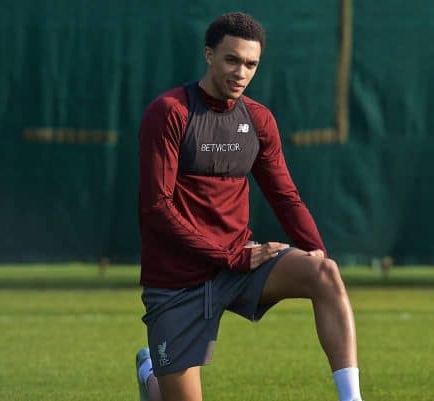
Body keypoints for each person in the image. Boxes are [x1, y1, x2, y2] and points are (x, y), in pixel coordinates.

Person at [135, 12, 363, 401]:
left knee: (325, 274)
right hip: (177, 282)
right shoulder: (171, 112)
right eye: (232, 60)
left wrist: (315, 248)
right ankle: (150, 374)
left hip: (239, 267)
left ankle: (351, 398)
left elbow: (285, 197)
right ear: (209, 55)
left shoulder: (257, 120)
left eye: (251, 64)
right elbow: (157, 207)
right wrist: (229, 256)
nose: (241, 72)